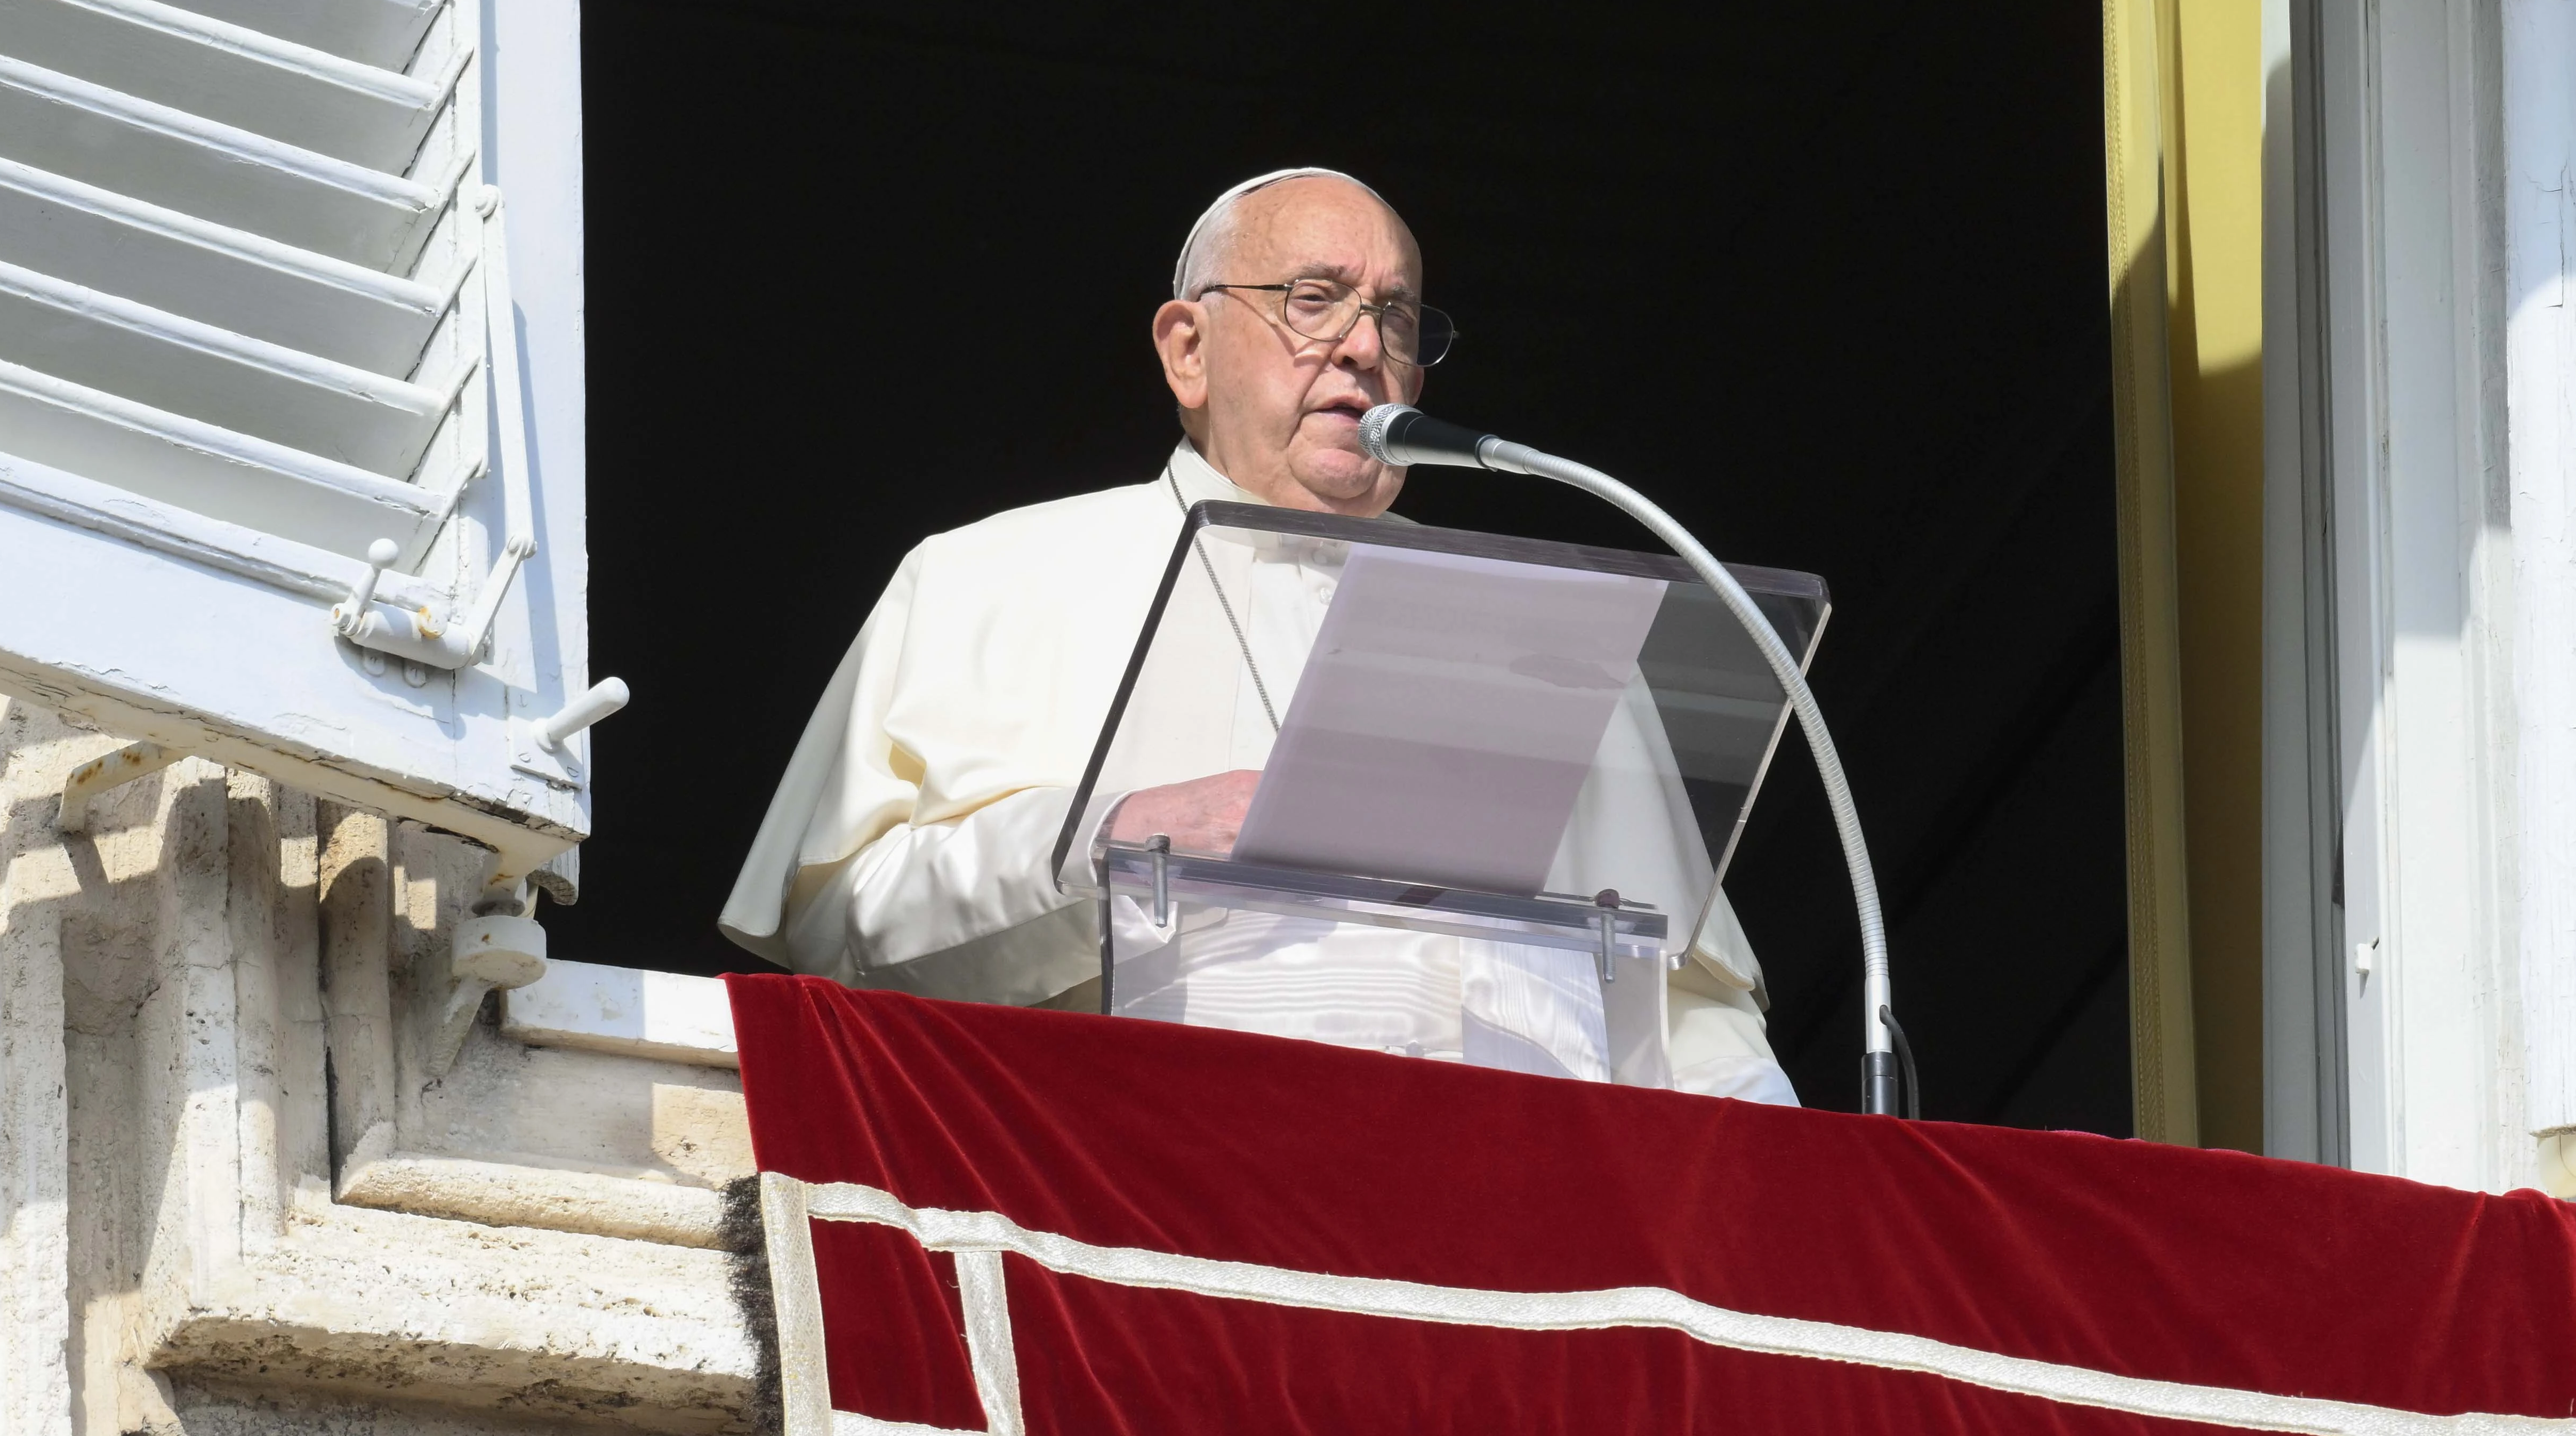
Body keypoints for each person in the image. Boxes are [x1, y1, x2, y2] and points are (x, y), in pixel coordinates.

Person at [716, 168, 1794, 1101]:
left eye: (1399, 318)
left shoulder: (1543, 634)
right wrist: (1109, 839)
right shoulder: (988, 576)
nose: (1365, 347)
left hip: (1509, 1221)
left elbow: (1699, 1024)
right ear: (1188, 350)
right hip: (1141, 1196)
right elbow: (840, 935)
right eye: (1314, 299)